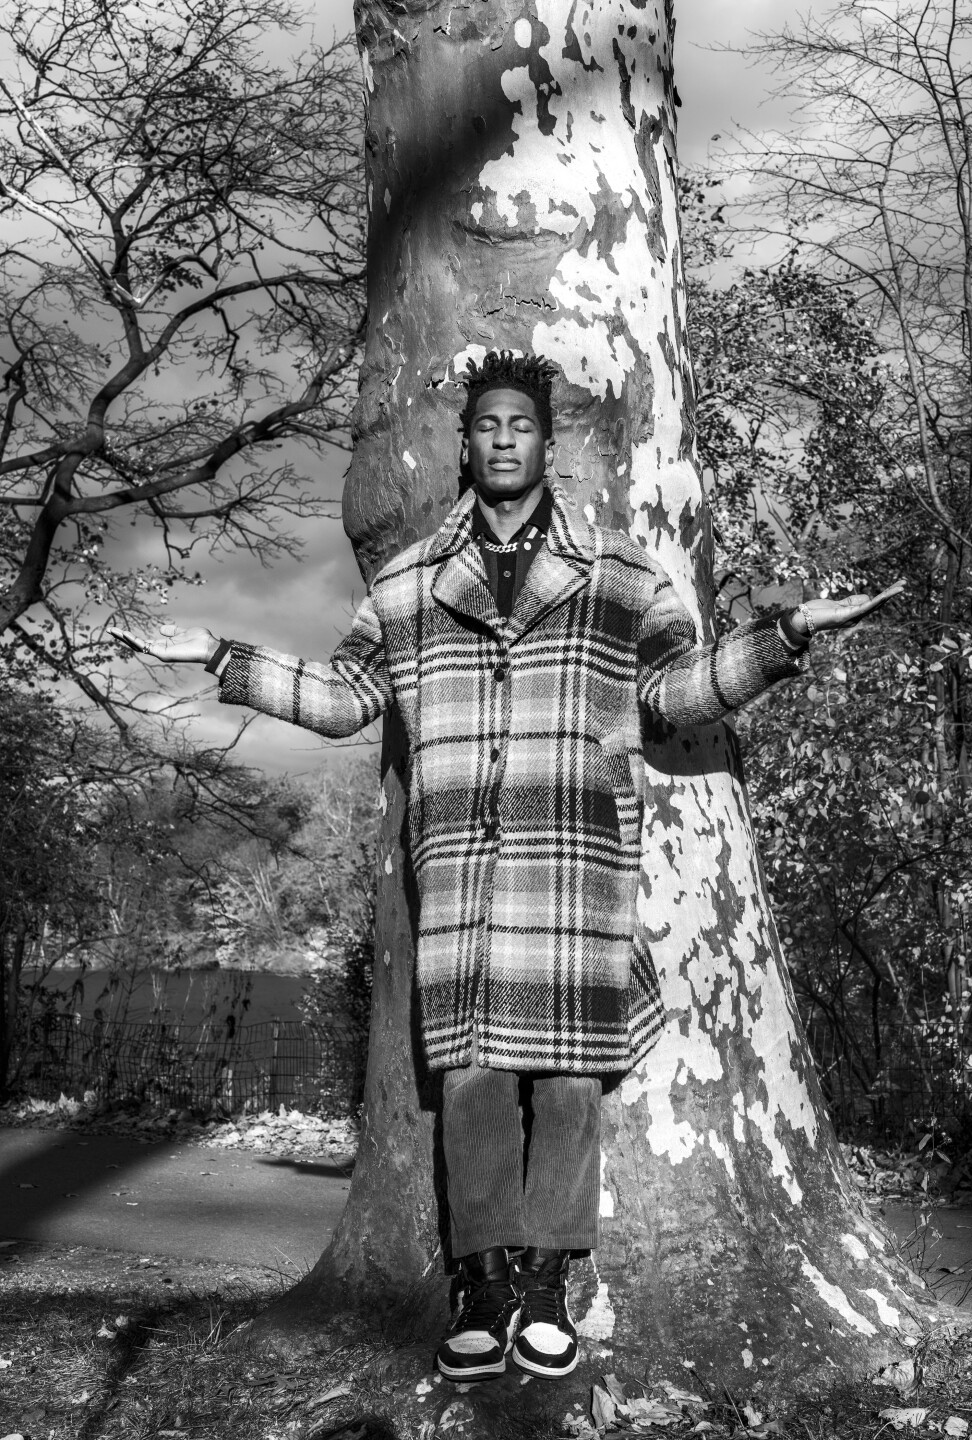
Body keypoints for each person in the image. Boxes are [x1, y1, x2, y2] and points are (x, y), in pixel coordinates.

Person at [113, 350, 901, 1384]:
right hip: (461, 873)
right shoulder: (403, 581)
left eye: (518, 425)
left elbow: (674, 697)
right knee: (474, 1076)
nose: (501, 439)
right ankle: (481, 1285)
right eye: (484, 424)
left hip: (574, 858)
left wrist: (788, 633)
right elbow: (348, 699)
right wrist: (221, 657)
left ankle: (546, 1288)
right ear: (467, 442)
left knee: (569, 1077)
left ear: (544, 441)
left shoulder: (620, 571)